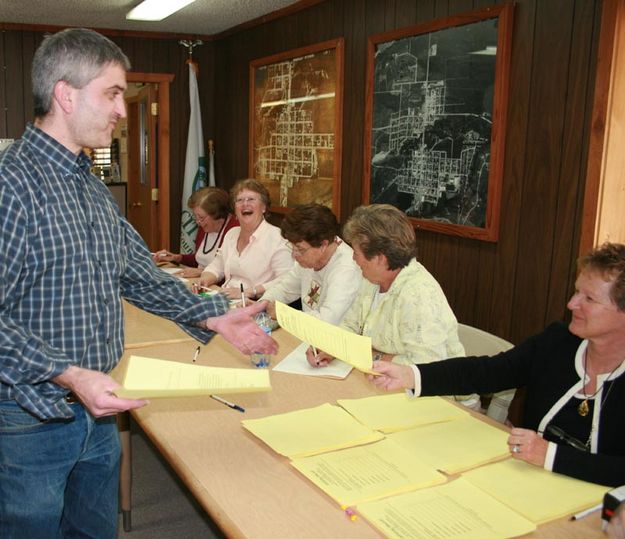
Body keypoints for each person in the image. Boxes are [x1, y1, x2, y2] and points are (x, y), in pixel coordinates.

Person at [0, 28, 276, 538]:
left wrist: (213, 313)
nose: (121, 110)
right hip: (29, 417)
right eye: (111, 94)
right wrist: (68, 373)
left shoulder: (89, 186)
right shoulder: (10, 186)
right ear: (65, 94)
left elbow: (137, 275)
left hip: (97, 411)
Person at [370, 242, 625, 487]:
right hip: (524, 481)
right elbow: (487, 371)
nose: (572, 304)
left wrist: (550, 455)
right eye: (576, 291)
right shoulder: (558, 342)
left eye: (589, 299)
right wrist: (411, 375)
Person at [306, 205, 473, 399]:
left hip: (436, 399)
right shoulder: (373, 281)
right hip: (386, 388)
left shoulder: (418, 295)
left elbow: (426, 366)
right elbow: (350, 325)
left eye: (356, 253)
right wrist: (331, 346)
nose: (354, 259)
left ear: (380, 259)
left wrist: (369, 355)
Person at [260, 203, 362, 324]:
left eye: (300, 249)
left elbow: (327, 321)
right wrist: (262, 304)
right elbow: (285, 288)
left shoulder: (346, 270)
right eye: (292, 247)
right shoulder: (308, 258)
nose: (294, 255)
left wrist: (283, 314)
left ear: (323, 245)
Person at [199, 178, 292, 300]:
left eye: (251, 199)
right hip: (226, 299)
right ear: (235, 209)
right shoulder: (231, 234)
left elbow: (286, 280)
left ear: (263, 207)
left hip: (256, 303)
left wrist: (249, 292)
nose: (245, 204)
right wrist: (204, 280)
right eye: (240, 200)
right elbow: (216, 266)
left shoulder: (278, 238)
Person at [152, 186, 239, 278]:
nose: (197, 222)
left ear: (217, 214)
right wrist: (177, 258)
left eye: (201, 217)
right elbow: (201, 259)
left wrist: (203, 272)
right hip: (199, 282)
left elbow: (234, 274)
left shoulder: (235, 229)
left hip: (218, 286)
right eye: (195, 216)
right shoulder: (204, 227)